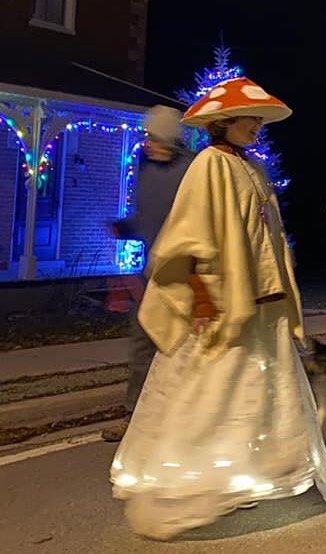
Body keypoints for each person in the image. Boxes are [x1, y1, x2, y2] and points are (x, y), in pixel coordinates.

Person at [110, 77, 326, 539]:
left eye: (258, 119)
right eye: (249, 118)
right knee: (211, 388)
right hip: (222, 300)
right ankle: (190, 473)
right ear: (224, 121)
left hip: (262, 298)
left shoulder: (252, 167)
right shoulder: (209, 164)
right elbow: (186, 235)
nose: (257, 125)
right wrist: (199, 291)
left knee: (255, 389)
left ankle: (244, 472)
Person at [101, 105, 194, 442]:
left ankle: (184, 417)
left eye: (155, 137)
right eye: (147, 137)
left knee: (184, 348)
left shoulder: (193, 172)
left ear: (170, 138)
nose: (148, 143)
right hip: (151, 273)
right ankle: (134, 417)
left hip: (186, 275)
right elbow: (148, 219)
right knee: (142, 341)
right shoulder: (146, 171)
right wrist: (125, 226)